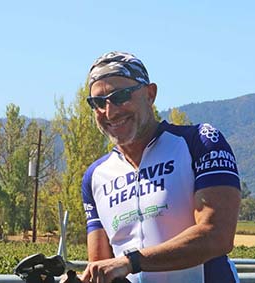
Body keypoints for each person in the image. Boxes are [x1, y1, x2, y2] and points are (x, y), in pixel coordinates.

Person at [79, 51, 241, 283]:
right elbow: (101, 269)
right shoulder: (95, 176)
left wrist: (131, 262)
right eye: (97, 102)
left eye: (121, 96)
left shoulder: (200, 141)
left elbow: (217, 235)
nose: (110, 111)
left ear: (150, 94)